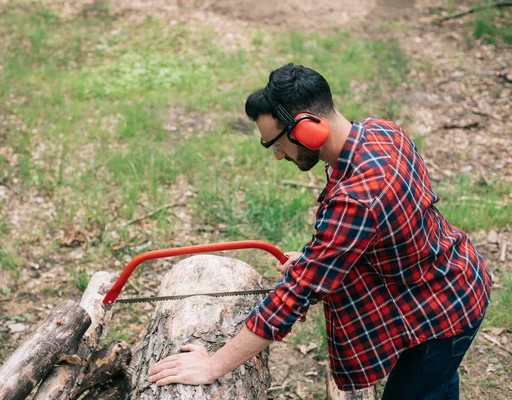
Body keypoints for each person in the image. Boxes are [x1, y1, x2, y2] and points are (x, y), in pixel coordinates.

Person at [148, 63, 492, 399]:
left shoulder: (357, 198)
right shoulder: (382, 130)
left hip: (442, 313)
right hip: (457, 279)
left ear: (308, 128)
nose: (278, 156)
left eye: (277, 143)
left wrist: (212, 366)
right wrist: (319, 257)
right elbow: (390, 226)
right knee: (439, 386)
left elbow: (292, 297)